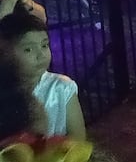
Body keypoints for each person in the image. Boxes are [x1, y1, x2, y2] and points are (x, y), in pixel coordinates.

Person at [0, 12, 86, 140]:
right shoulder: (5, 92)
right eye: (28, 49)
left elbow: (78, 139)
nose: (41, 55)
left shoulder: (61, 87)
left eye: (44, 45)